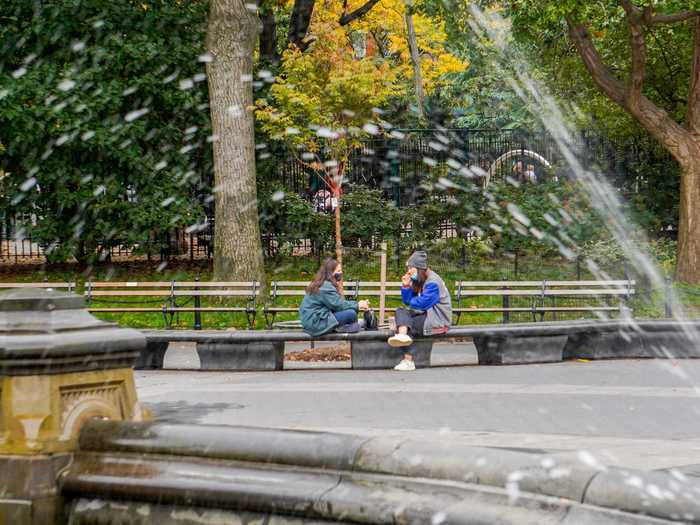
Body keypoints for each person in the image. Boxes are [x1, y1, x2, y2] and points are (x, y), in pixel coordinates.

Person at [388, 250, 452, 371]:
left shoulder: (433, 282)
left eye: (411, 268)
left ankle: (408, 360)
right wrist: (406, 286)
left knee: (407, 324)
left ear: (419, 268)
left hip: (437, 320)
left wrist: (412, 303)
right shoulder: (420, 279)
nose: (408, 271)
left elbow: (422, 303)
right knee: (401, 311)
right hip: (426, 315)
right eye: (408, 268)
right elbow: (408, 302)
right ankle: (402, 335)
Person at [300, 258, 369, 337]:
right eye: (338, 271)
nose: (341, 273)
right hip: (316, 323)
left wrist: (357, 305)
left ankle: (344, 327)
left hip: (313, 321)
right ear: (330, 273)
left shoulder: (322, 283)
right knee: (351, 314)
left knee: (351, 314)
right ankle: (342, 327)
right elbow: (338, 305)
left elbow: (336, 305)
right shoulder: (325, 286)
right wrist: (358, 305)